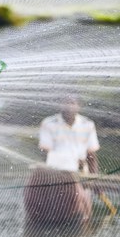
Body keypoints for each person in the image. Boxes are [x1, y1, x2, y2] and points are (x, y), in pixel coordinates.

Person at [24, 95, 100, 225]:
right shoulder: (49, 123)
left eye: (72, 102)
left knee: (84, 210)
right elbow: (45, 153)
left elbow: (91, 155)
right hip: (54, 172)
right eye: (65, 102)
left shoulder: (87, 125)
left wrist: (94, 180)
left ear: (78, 106)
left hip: (80, 172)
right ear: (60, 105)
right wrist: (67, 162)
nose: (69, 106)